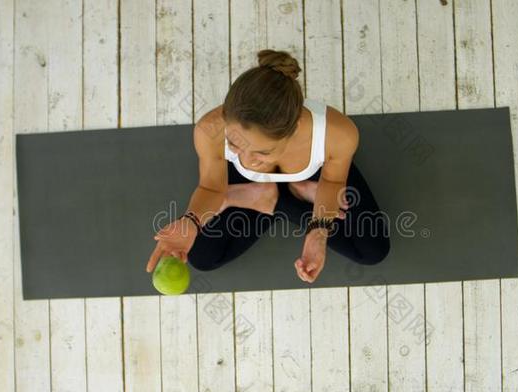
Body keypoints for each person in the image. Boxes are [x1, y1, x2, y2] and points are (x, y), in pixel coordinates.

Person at [146, 49, 390, 283]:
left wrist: (318, 234)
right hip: (248, 182)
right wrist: (191, 222)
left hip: (315, 173)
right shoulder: (209, 130)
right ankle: (272, 195)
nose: (250, 161)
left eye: (263, 152)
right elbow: (211, 188)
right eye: (235, 143)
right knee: (201, 256)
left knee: (372, 250)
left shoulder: (337, 134)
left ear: (293, 130)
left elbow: (333, 181)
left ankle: (270, 196)